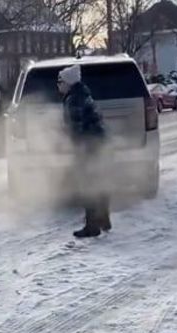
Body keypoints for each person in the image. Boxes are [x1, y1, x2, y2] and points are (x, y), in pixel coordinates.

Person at [57, 64, 111, 239]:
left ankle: (92, 226)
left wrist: (77, 150)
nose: (58, 85)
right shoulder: (82, 94)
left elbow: (77, 129)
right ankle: (103, 219)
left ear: (68, 83)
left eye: (60, 81)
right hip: (98, 145)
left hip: (89, 147)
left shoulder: (74, 99)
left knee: (88, 184)